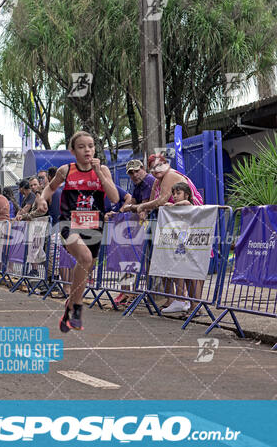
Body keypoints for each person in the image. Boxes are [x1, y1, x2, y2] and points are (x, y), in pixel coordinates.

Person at [37, 130, 119, 332]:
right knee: (84, 257)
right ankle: (78, 308)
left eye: (90, 146)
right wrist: (41, 199)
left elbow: (115, 198)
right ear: (73, 151)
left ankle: (68, 308)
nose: (87, 150)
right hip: (68, 224)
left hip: (94, 226)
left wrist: (99, 174)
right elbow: (50, 188)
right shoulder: (66, 170)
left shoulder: (103, 171)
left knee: (86, 264)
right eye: (81, 147)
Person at [162, 182, 204, 314]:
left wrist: (172, 206)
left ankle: (196, 306)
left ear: (187, 194)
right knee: (186, 276)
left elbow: (185, 204)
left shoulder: (189, 205)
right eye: (173, 194)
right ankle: (191, 305)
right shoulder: (177, 209)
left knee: (194, 277)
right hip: (184, 246)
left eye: (178, 193)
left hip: (196, 247)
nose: (175, 196)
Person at [130, 154, 203, 220]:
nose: (156, 169)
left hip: (192, 215)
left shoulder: (170, 174)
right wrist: (144, 212)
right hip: (175, 220)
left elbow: (161, 201)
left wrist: (142, 206)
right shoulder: (157, 181)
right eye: (153, 167)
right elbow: (151, 203)